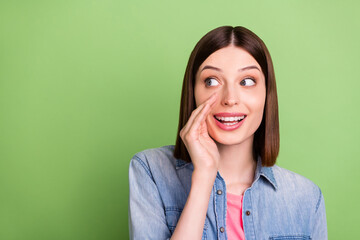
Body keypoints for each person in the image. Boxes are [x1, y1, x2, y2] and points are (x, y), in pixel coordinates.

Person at [128, 26, 327, 240]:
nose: (230, 98)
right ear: (193, 92)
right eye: (211, 81)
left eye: (247, 81)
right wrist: (204, 176)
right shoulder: (151, 171)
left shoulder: (306, 198)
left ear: (267, 95)